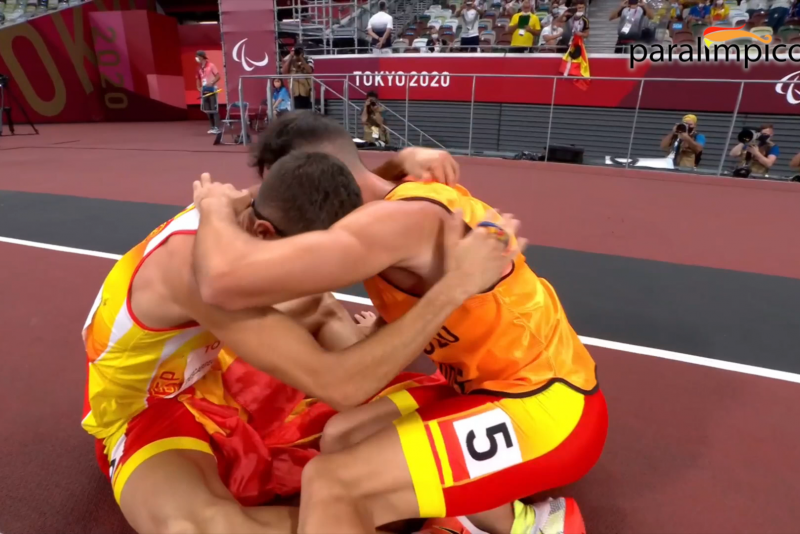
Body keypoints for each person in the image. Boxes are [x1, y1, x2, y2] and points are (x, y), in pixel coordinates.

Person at [192, 112, 608, 534]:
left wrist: (211, 208)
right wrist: (399, 159)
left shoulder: (389, 225)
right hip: (479, 386)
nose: (281, 210)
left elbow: (221, 283)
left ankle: (531, 527)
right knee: (340, 437)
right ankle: (499, 517)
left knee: (332, 484)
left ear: (318, 173)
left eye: (286, 185)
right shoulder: (400, 193)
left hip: (548, 407)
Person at [82, 146, 512, 533]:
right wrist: (456, 284)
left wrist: (399, 165)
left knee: (319, 301)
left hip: (212, 363)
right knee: (200, 527)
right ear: (266, 235)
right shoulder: (203, 275)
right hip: (147, 406)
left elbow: (320, 182)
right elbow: (341, 387)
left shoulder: (260, 203)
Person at [196, 50, 221, 135]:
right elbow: (197, 78)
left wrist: (212, 82)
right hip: (204, 91)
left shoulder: (211, 65)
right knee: (207, 110)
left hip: (212, 90)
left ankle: (217, 127)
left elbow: (218, 76)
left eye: (198, 56)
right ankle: (212, 127)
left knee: (214, 109)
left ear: (202, 56)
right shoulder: (199, 67)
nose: (196, 58)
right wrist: (198, 87)